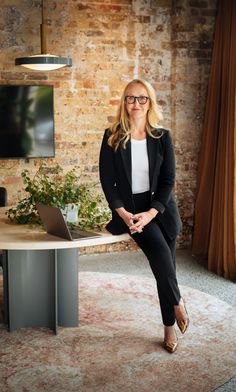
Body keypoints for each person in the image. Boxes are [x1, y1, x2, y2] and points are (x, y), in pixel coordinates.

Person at [99, 79, 189, 353]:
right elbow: (107, 180)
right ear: (124, 102)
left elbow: (168, 180)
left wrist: (152, 212)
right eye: (130, 98)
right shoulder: (112, 135)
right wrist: (124, 214)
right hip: (131, 212)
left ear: (150, 102)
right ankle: (179, 304)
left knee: (165, 269)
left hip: (160, 209)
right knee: (162, 259)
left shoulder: (162, 137)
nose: (135, 103)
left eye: (141, 98)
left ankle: (168, 329)